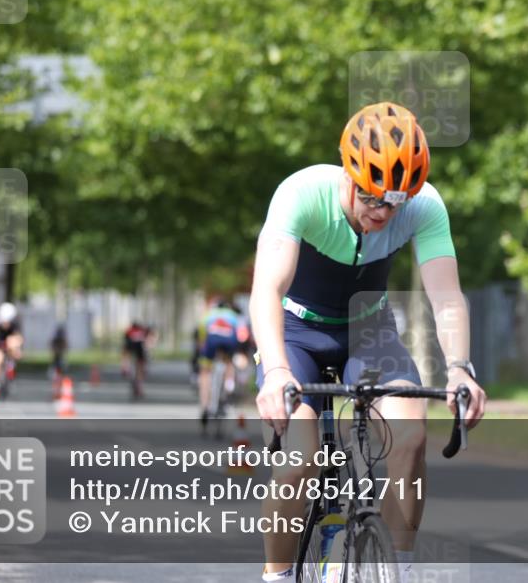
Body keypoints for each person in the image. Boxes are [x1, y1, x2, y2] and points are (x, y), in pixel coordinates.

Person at [250, 102, 487, 581]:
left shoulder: (424, 205)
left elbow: (446, 298)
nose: (383, 211)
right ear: (348, 174)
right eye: (372, 197)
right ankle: (276, 577)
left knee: (411, 437)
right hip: (297, 333)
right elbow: (266, 291)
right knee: (299, 461)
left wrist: (460, 367)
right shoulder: (301, 193)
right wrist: (275, 371)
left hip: (369, 329)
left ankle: (395, 568)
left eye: (395, 201)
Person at [197, 298, 241, 426]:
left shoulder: (209, 314)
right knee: (229, 362)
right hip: (229, 340)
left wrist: (202, 346)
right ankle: (229, 387)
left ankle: (205, 406)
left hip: (212, 339)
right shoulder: (233, 315)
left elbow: (201, 331)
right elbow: (241, 332)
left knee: (205, 371)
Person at [0, 302, 23, 400]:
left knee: (13, 342)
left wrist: (17, 350)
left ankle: (11, 365)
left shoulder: (16, 321)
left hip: (10, 340)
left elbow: (19, 337)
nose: (6, 324)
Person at [122, 321, 150, 398]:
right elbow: (146, 344)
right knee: (140, 369)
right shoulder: (142, 331)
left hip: (131, 350)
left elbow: (125, 347)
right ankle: (140, 388)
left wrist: (124, 366)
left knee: (128, 359)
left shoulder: (129, 331)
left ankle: (127, 369)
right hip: (139, 351)